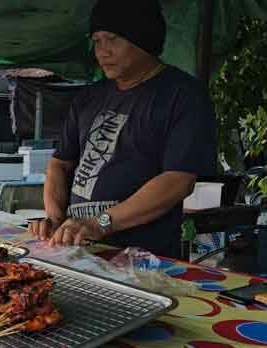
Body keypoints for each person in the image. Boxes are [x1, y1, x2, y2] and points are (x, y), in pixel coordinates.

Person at [29, 0, 216, 259]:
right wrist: (54, 218)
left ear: (143, 40)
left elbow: (178, 180)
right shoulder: (88, 97)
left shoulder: (182, 96)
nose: (102, 51)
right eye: (96, 41)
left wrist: (100, 223)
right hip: (77, 251)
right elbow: (60, 164)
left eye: (112, 39)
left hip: (146, 261)